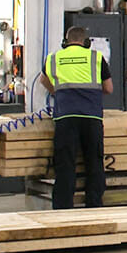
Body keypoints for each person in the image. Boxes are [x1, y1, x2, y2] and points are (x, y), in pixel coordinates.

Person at [35, 25, 113, 210]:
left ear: (65, 42)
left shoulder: (54, 58)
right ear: (86, 42)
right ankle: (94, 206)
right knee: (94, 163)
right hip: (91, 117)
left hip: (65, 117)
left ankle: (62, 210)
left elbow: (43, 80)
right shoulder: (96, 58)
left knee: (65, 165)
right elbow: (109, 88)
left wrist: (59, 92)